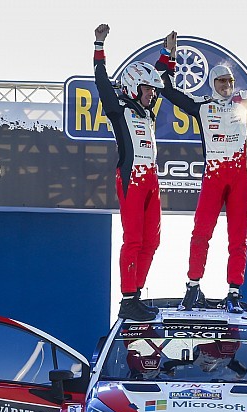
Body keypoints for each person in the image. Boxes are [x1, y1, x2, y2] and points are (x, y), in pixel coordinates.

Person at [155, 23, 247, 313]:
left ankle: (234, 292)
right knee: (201, 233)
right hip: (213, 176)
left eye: (230, 81)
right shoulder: (202, 105)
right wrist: (168, 54)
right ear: (213, 84)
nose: (226, 86)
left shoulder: (245, 103)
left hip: (238, 176)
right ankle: (193, 287)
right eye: (221, 81)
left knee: (238, 237)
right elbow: (168, 90)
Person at [94, 23, 164, 322]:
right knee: (133, 239)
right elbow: (101, 82)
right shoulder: (117, 108)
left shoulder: (146, 111)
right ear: (134, 86)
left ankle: (135, 295)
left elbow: (162, 77)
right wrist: (99, 45)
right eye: (147, 89)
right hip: (131, 177)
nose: (152, 94)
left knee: (152, 241)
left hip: (151, 178)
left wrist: (166, 54)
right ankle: (127, 299)